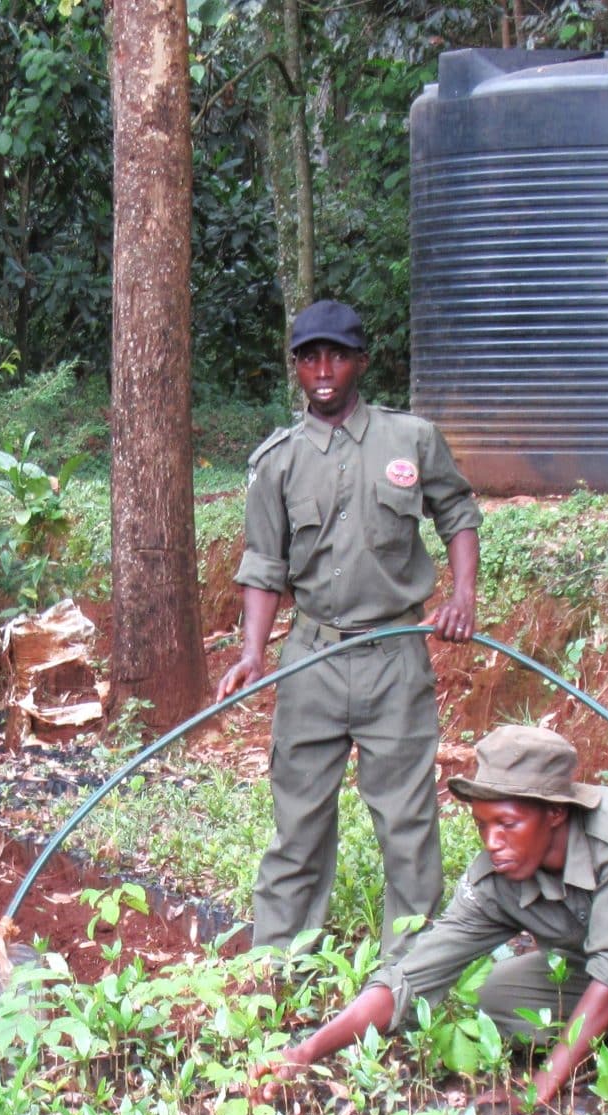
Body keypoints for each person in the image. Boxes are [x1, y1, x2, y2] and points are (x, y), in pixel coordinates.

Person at [264, 725, 608, 1107]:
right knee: (502, 997)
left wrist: (544, 1086)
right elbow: (412, 975)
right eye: (482, 824)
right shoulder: (496, 876)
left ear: (556, 813)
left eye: (509, 824)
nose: (493, 842)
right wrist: (305, 1053)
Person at [217, 298, 482, 963]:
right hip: (312, 658)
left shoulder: (411, 440)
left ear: (361, 361)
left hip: (395, 654)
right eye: (310, 358)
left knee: (407, 822)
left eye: (337, 355)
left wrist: (463, 598)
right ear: (297, 370)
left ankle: (411, 977)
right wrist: (253, 651)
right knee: (298, 822)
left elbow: (457, 511)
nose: (324, 370)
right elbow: (264, 563)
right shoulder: (276, 461)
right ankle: (279, 965)